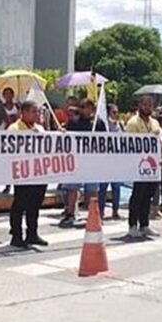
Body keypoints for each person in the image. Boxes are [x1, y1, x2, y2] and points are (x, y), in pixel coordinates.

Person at [58, 98, 105, 228]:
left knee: (92, 190)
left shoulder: (98, 123)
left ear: (93, 108)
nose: (86, 110)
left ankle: (93, 215)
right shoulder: (74, 121)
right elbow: (67, 136)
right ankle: (70, 213)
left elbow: (105, 141)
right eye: (83, 107)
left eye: (89, 107)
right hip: (76, 160)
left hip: (92, 161)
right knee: (72, 188)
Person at [8, 101, 49, 248]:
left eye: (37, 112)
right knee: (20, 204)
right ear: (23, 112)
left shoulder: (40, 129)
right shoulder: (14, 129)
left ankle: (32, 234)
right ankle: (16, 235)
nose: (36, 115)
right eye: (33, 111)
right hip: (23, 173)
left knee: (35, 204)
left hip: (39, 172)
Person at [126, 96, 162, 239]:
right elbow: (129, 143)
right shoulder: (133, 123)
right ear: (139, 105)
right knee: (137, 194)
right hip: (138, 164)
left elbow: (159, 141)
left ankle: (144, 224)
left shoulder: (155, 123)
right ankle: (132, 225)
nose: (147, 107)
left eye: (150, 105)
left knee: (148, 195)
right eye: (145, 104)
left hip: (152, 165)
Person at [98, 104, 124, 219]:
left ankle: (115, 210)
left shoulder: (120, 125)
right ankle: (101, 210)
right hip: (105, 161)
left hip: (117, 160)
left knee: (116, 187)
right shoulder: (103, 125)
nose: (116, 114)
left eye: (117, 112)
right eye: (114, 112)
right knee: (103, 187)